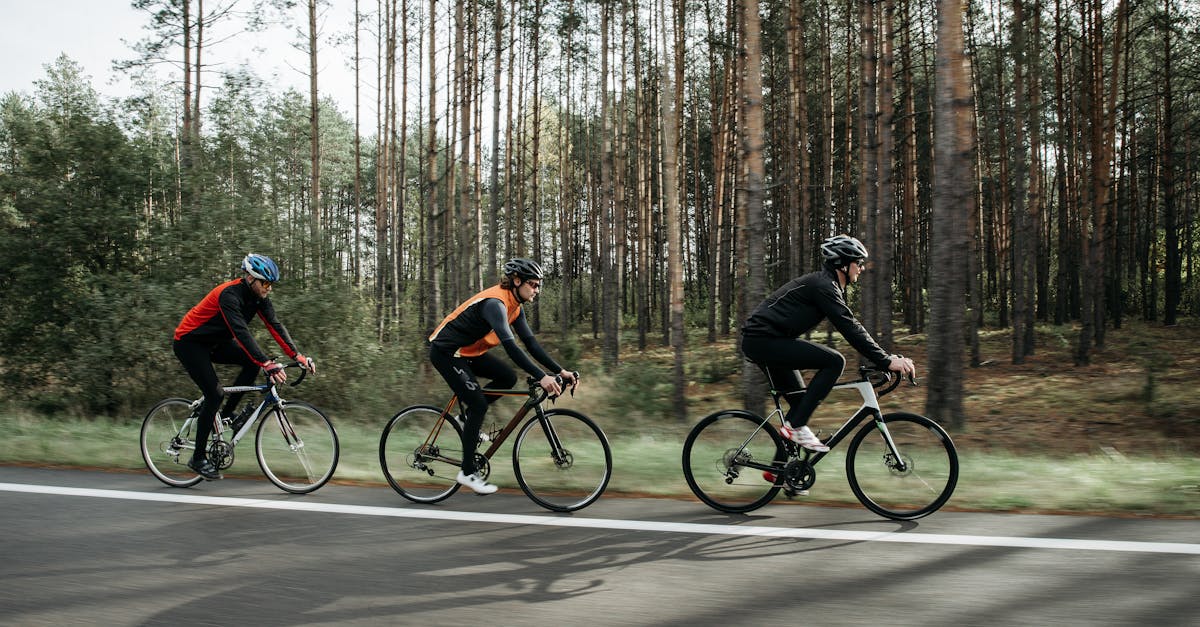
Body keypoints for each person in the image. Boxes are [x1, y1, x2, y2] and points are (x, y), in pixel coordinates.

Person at [741, 234, 916, 453]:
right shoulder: (823, 286)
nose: (861, 268)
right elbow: (849, 327)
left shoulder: (827, 285)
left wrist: (884, 358)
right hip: (763, 340)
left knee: (800, 404)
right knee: (834, 361)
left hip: (769, 340)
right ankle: (795, 428)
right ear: (843, 264)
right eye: (858, 263)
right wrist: (885, 360)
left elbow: (850, 325)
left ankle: (782, 473)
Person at [428, 258, 578, 494]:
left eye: (539, 285)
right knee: (477, 403)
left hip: (468, 352)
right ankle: (467, 472)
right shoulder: (495, 303)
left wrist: (560, 371)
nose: (536, 290)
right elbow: (512, 347)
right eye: (533, 284)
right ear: (516, 281)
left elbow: (530, 343)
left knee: (507, 377)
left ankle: (465, 419)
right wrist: (541, 377)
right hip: (446, 352)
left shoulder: (515, 308)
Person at [172, 253, 316, 480]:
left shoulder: (259, 298)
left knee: (252, 363)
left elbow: (275, 326)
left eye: (271, 284)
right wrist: (267, 363)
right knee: (214, 394)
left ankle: (228, 415)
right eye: (266, 283)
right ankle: (198, 458)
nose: (269, 288)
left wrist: (297, 355)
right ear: (251, 278)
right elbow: (241, 332)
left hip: (215, 343)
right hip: (190, 343)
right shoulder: (229, 295)